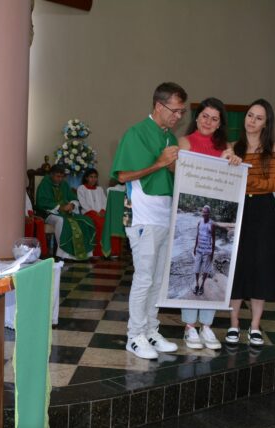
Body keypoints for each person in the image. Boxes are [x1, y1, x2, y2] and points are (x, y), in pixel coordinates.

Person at [110, 82, 187, 359]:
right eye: (175, 111)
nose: (178, 116)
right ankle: (134, 335)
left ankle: (152, 330)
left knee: (158, 278)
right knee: (144, 277)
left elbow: (173, 174)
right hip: (143, 214)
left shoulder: (170, 137)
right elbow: (123, 176)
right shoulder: (136, 133)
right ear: (158, 105)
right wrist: (159, 163)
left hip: (165, 214)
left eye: (182, 112)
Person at [178, 97, 241, 351]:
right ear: (197, 117)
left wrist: (234, 162)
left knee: (211, 267)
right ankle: (189, 327)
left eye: (214, 119)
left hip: (213, 210)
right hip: (195, 215)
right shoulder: (184, 142)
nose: (208, 122)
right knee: (193, 268)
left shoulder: (227, 147)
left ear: (219, 124)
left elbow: (232, 180)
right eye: (205, 116)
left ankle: (206, 325)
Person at [226, 99, 275, 347]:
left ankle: (256, 325)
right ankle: (234, 323)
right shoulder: (231, 147)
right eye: (250, 115)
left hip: (262, 211)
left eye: (259, 118)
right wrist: (235, 169)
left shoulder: (273, 148)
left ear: (266, 123)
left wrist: (245, 175)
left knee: (261, 264)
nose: (252, 121)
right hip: (238, 208)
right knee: (237, 264)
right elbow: (225, 181)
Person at [35, 164, 96, 261]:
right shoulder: (44, 185)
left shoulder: (64, 184)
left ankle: (85, 254)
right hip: (48, 214)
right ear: (51, 175)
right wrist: (60, 207)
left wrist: (72, 205)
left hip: (67, 213)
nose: (60, 179)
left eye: (62, 177)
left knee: (86, 220)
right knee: (61, 220)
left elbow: (73, 198)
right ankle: (63, 254)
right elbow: (41, 202)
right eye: (58, 176)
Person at [76, 168, 120, 257]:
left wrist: (103, 210)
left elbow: (105, 201)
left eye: (95, 177)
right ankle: (99, 252)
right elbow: (83, 204)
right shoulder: (81, 188)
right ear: (86, 178)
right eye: (91, 177)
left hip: (101, 213)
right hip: (89, 213)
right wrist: (95, 213)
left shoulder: (99, 189)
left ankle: (113, 251)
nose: (93, 179)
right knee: (101, 223)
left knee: (113, 223)